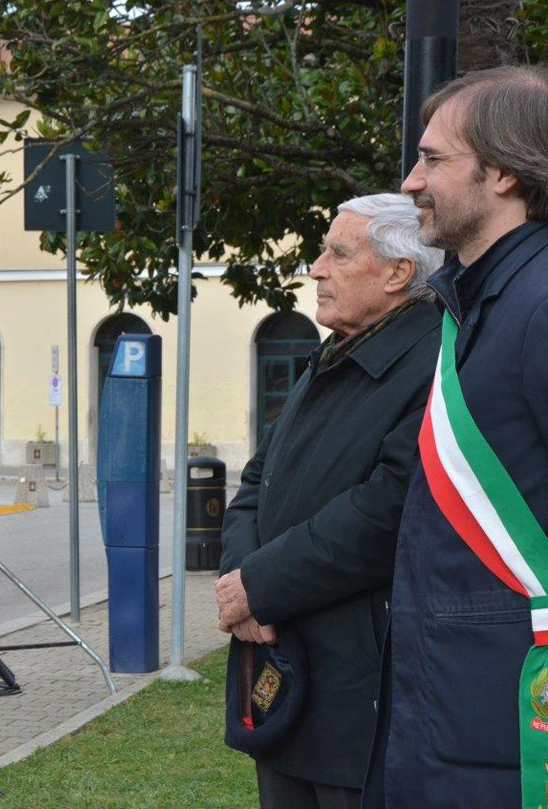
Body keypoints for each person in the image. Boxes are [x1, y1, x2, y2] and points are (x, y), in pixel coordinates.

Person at [215, 193, 444, 808]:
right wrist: (242, 583)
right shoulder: (335, 353)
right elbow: (257, 481)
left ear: (398, 273)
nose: (316, 268)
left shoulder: (434, 362)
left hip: (360, 694)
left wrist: (261, 585)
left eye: (338, 254)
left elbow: (387, 511)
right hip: (284, 672)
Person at [367, 66, 548, 808]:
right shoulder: (478, 302)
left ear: (502, 172)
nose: (411, 182)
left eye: (432, 160)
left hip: (511, 735)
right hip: (460, 719)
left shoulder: (537, 304)